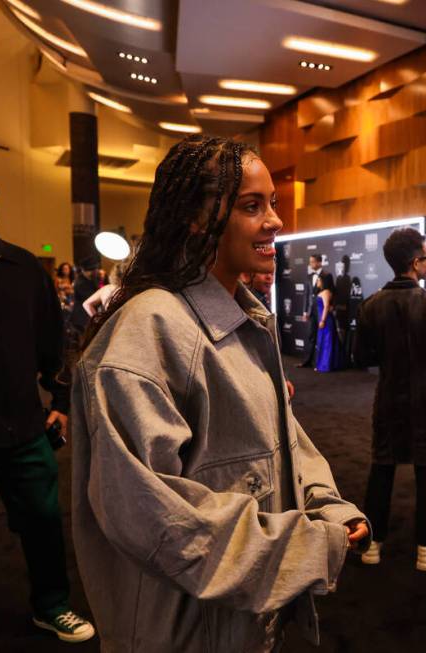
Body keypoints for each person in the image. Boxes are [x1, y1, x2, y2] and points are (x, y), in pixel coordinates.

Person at [70, 135, 370, 652]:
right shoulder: (148, 330)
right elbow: (150, 513)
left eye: (272, 202)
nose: (274, 220)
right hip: (182, 630)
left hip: (243, 621)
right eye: (252, 206)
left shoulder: (245, 317)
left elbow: (282, 438)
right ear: (196, 217)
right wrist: (308, 544)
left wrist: (328, 507)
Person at [0, 187, 96, 643]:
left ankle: (51, 606)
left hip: (23, 426)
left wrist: (59, 403)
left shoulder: (24, 269)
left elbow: (54, 343)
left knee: (42, 521)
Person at [354, 228, 426, 571]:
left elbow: (360, 356)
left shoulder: (370, 305)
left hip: (387, 398)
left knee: (381, 468)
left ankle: (372, 545)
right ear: (415, 262)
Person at [299, 253, 326, 368]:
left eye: (312, 262)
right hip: (311, 312)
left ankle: (321, 362)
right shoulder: (309, 276)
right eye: (310, 262)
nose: (310, 264)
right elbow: (306, 295)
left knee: (323, 337)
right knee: (311, 336)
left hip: (322, 310)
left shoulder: (326, 276)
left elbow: (330, 292)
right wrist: (305, 312)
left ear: (319, 262)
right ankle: (308, 361)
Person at [313, 270, 339, 372]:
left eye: (319, 280)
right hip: (323, 319)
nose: (317, 282)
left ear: (323, 281)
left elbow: (326, 306)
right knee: (323, 342)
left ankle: (326, 365)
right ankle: (322, 364)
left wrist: (323, 320)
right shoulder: (323, 292)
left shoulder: (326, 292)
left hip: (326, 321)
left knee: (327, 343)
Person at [68, 257, 99, 336]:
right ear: (86, 271)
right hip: (82, 317)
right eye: (93, 270)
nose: (96, 272)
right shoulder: (81, 283)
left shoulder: (91, 280)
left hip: (85, 316)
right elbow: (91, 298)